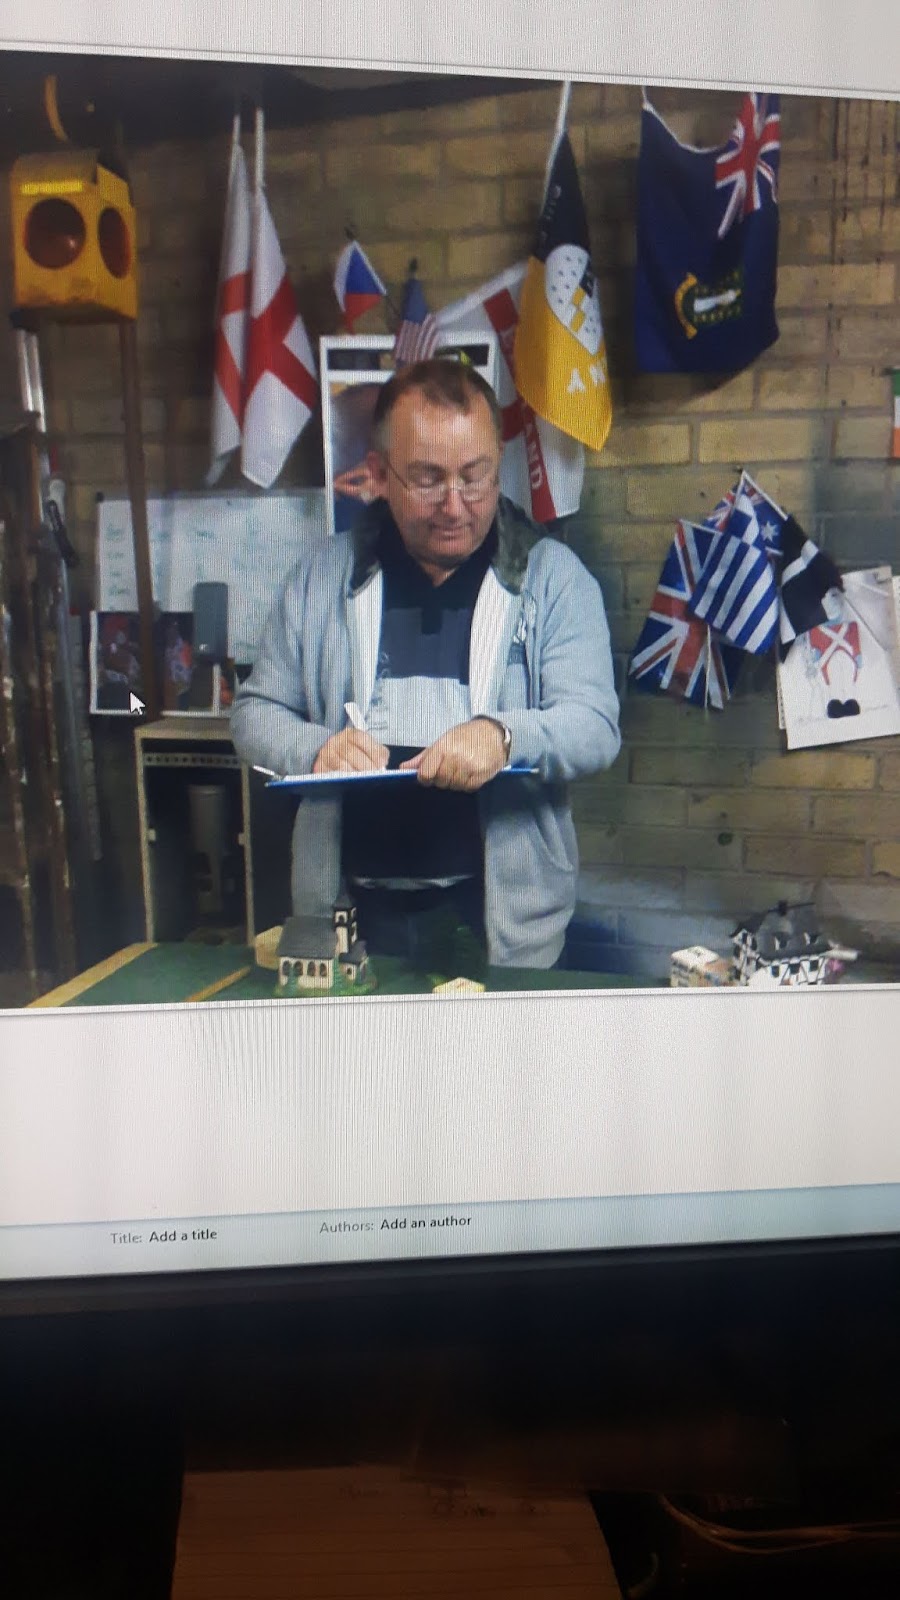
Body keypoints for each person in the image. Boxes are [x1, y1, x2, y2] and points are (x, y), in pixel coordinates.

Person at [230, 359, 621, 971]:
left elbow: (594, 726)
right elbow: (254, 714)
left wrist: (504, 736)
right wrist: (317, 750)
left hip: (501, 927)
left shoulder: (553, 580)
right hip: (347, 920)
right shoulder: (320, 578)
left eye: (475, 475)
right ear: (379, 474)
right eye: (427, 479)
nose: (454, 506)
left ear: (498, 463)